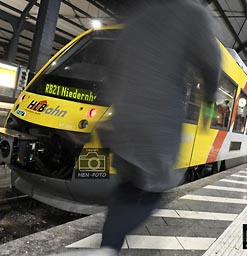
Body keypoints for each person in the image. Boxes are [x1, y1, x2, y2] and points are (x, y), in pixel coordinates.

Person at [49, 1, 221, 255]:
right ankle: (107, 249)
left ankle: (109, 245)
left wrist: (106, 119)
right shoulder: (193, 13)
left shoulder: (138, 18)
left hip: (123, 120)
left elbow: (114, 70)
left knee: (126, 187)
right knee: (153, 190)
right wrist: (208, 99)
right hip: (157, 124)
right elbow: (211, 62)